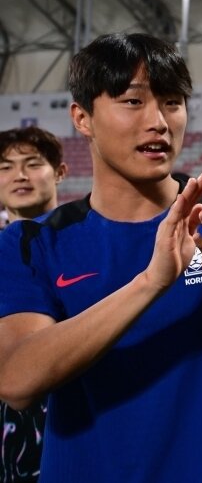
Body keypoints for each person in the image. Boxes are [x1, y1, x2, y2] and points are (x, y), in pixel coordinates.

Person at [0, 33, 202, 482]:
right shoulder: (33, 241)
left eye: (172, 102)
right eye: (133, 102)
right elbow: (17, 380)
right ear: (83, 117)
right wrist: (151, 281)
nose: (159, 120)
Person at [0, 126, 67, 483]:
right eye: (5, 167)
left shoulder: (86, 246)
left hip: (71, 423)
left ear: (59, 171)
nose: (19, 176)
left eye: (32, 163)